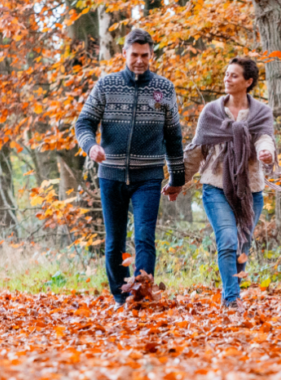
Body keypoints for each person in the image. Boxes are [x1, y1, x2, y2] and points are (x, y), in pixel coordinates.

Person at [75, 29, 185, 309]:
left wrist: (177, 178)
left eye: (144, 55)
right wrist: (91, 146)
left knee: (144, 238)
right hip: (110, 176)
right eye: (134, 55)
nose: (139, 60)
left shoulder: (164, 89)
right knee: (114, 243)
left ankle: (140, 295)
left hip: (148, 177)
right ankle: (120, 297)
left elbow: (173, 136)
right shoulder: (107, 85)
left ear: (151, 55)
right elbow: (84, 122)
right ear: (124, 54)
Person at [175, 57, 276, 309]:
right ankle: (232, 299)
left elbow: (265, 138)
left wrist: (266, 152)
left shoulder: (261, 112)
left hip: (251, 189)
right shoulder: (211, 111)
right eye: (226, 74)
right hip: (215, 186)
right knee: (228, 239)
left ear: (248, 81)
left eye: (233, 75)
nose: (227, 79)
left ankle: (232, 292)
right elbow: (196, 150)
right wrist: (178, 182)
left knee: (243, 244)